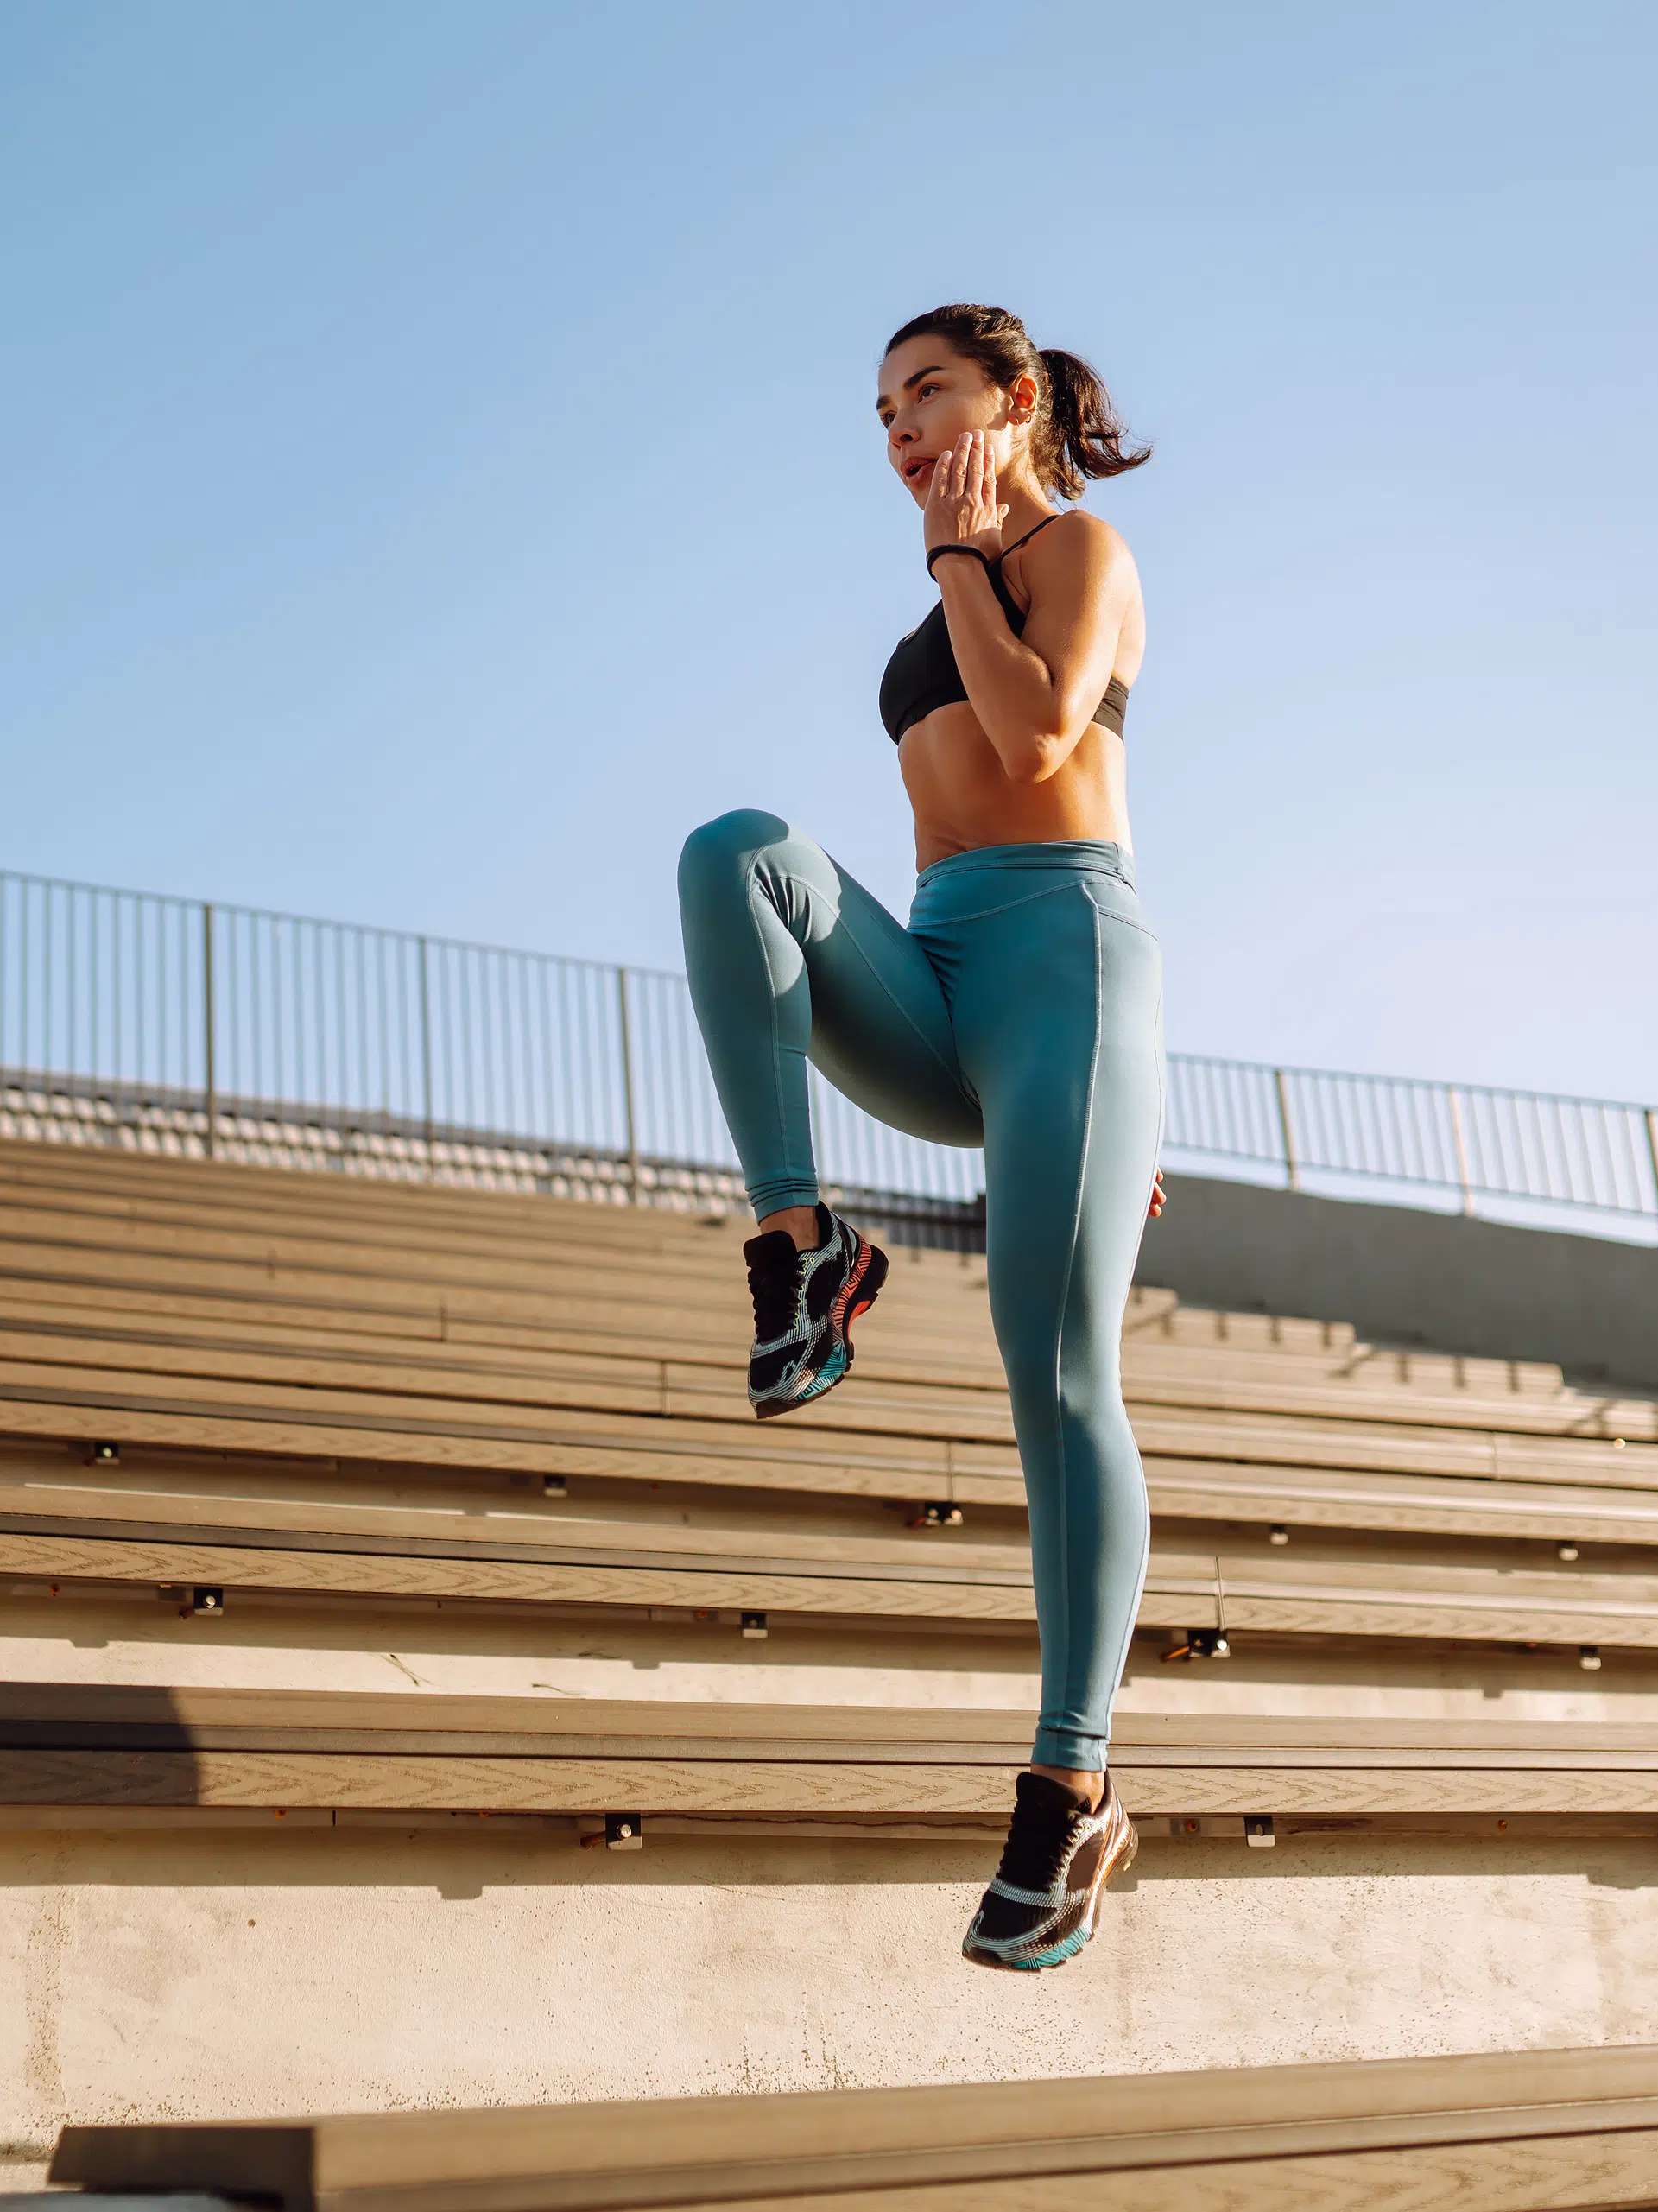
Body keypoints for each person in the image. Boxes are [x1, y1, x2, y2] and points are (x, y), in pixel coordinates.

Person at [675, 302, 1164, 1972]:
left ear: (1014, 400)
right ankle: (804, 1247)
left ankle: (1072, 1786)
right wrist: (949, 560)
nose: (895, 427)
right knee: (737, 852)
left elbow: (1035, 740)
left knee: (1062, 1379)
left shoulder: (1077, 551)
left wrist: (968, 551)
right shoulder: (947, 583)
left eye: (927, 392)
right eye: (879, 405)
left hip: (1064, 973)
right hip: (941, 964)